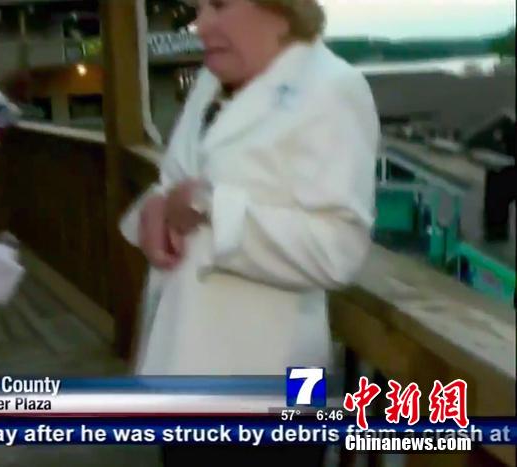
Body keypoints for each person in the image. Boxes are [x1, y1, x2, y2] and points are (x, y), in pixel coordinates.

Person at [119, 0, 380, 465]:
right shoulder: (211, 81)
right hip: (188, 375)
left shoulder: (334, 87)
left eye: (218, 5)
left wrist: (213, 209)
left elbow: (338, 249)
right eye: (197, 7)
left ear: (279, 9)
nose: (199, 24)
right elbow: (176, 179)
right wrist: (155, 208)